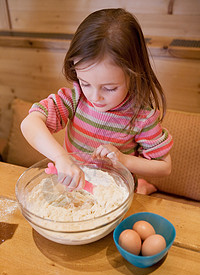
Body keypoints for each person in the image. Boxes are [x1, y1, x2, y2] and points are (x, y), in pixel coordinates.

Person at [21, 8, 173, 194]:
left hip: (115, 194)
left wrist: (123, 160)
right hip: (74, 187)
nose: (94, 97)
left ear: (133, 74)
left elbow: (165, 167)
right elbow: (29, 123)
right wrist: (61, 157)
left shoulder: (142, 117)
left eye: (109, 88)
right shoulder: (76, 98)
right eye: (85, 83)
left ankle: (142, 187)